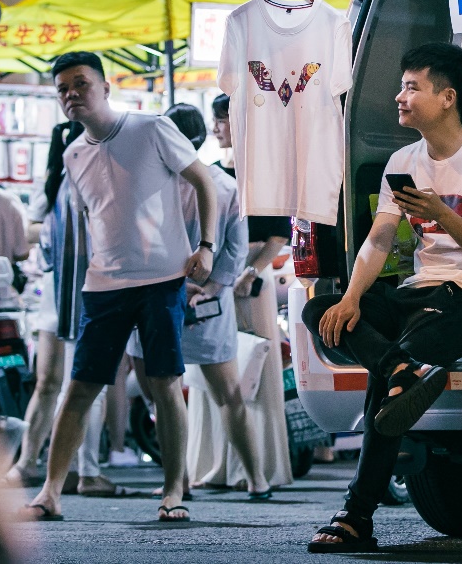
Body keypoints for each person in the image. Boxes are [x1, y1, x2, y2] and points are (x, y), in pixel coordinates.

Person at [301, 43, 462, 553]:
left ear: (447, 97)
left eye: (411, 87)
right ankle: (402, 368)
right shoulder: (403, 159)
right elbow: (379, 237)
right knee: (320, 308)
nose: (399, 96)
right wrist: (352, 297)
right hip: (418, 291)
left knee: (388, 383)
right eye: (401, 85)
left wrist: (441, 213)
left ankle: (357, 515)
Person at [22, 51, 217, 523]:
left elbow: (205, 181)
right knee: (81, 385)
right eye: (63, 88)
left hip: (162, 280)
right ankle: (50, 491)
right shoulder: (72, 155)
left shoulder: (151, 129)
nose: (71, 94)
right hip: (102, 286)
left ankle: (173, 490)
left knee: (165, 383)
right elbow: (92, 221)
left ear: (105, 87)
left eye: (80, 84)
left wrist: (206, 246)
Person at [127, 103, 270, 500]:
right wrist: (212, 286)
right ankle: (255, 479)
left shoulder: (151, 182)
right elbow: (235, 249)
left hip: (158, 298)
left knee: (162, 395)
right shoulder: (223, 185)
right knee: (228, 396)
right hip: (208, 301)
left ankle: (181, 481)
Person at [7, 122, 137, 497]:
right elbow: (31, 228)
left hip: (85, 287)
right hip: (62, 289)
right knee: (57, 382)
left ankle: (80, 470)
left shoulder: (102, 175)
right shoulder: (59, 182)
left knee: (81, 384)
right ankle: (38, 465)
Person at [195, 93, 292, 490]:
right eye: (215, 120)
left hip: (252, 280)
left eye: (223, 119)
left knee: (253, 365)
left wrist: (252, 271)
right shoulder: (212, 173)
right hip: (218, 278)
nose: (217, 127)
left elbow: (278, 234)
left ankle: (254, 467)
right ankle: (218, 465)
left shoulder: (261, 171)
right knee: (216, 367)